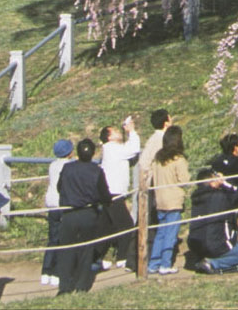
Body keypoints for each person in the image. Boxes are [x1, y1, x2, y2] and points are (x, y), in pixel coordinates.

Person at [51, 139, 112, 295]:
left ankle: (64, 287)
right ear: (92, 154)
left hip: (69, 213)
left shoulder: (67, 168)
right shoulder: (96, 170)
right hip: (88, 213)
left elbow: (59, 187)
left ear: (77, 152)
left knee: (66, 250)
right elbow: (104, 195)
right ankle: (82, 285)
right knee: (86, 250)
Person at [138, 127, 188, 275]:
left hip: (160, 200)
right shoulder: (179, 159)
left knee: (161, 232)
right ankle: (166, 264)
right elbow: (184, 180)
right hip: (173, 200)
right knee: (171, 233)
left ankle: (154, 263)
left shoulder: (158, 158)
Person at [95, 120, 141, 271]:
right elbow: (133, 149)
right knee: (126, 225)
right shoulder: (113, 149)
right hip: (114, 193)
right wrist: (131, 131)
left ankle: (95, 257)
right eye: (114, 131)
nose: (117, 131)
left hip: (111, 193)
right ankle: (122, 257)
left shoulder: (112, 149)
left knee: (105, 227)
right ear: (109, 137)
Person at [184, 172, 238, 275]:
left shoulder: (196, 197)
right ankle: (212, 263)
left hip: (195, 244)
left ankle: (202, 259)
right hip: (214, 245)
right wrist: (225, 182)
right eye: (215, 178)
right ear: (212, 183)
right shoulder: (220, 196)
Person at [39, 139, 70, 287]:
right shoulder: (69, 166)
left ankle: (46, 271)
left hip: (51, 203)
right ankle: (57, 272)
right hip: (62, 204)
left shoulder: (53, 165)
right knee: (63, 240)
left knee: (52, 239)